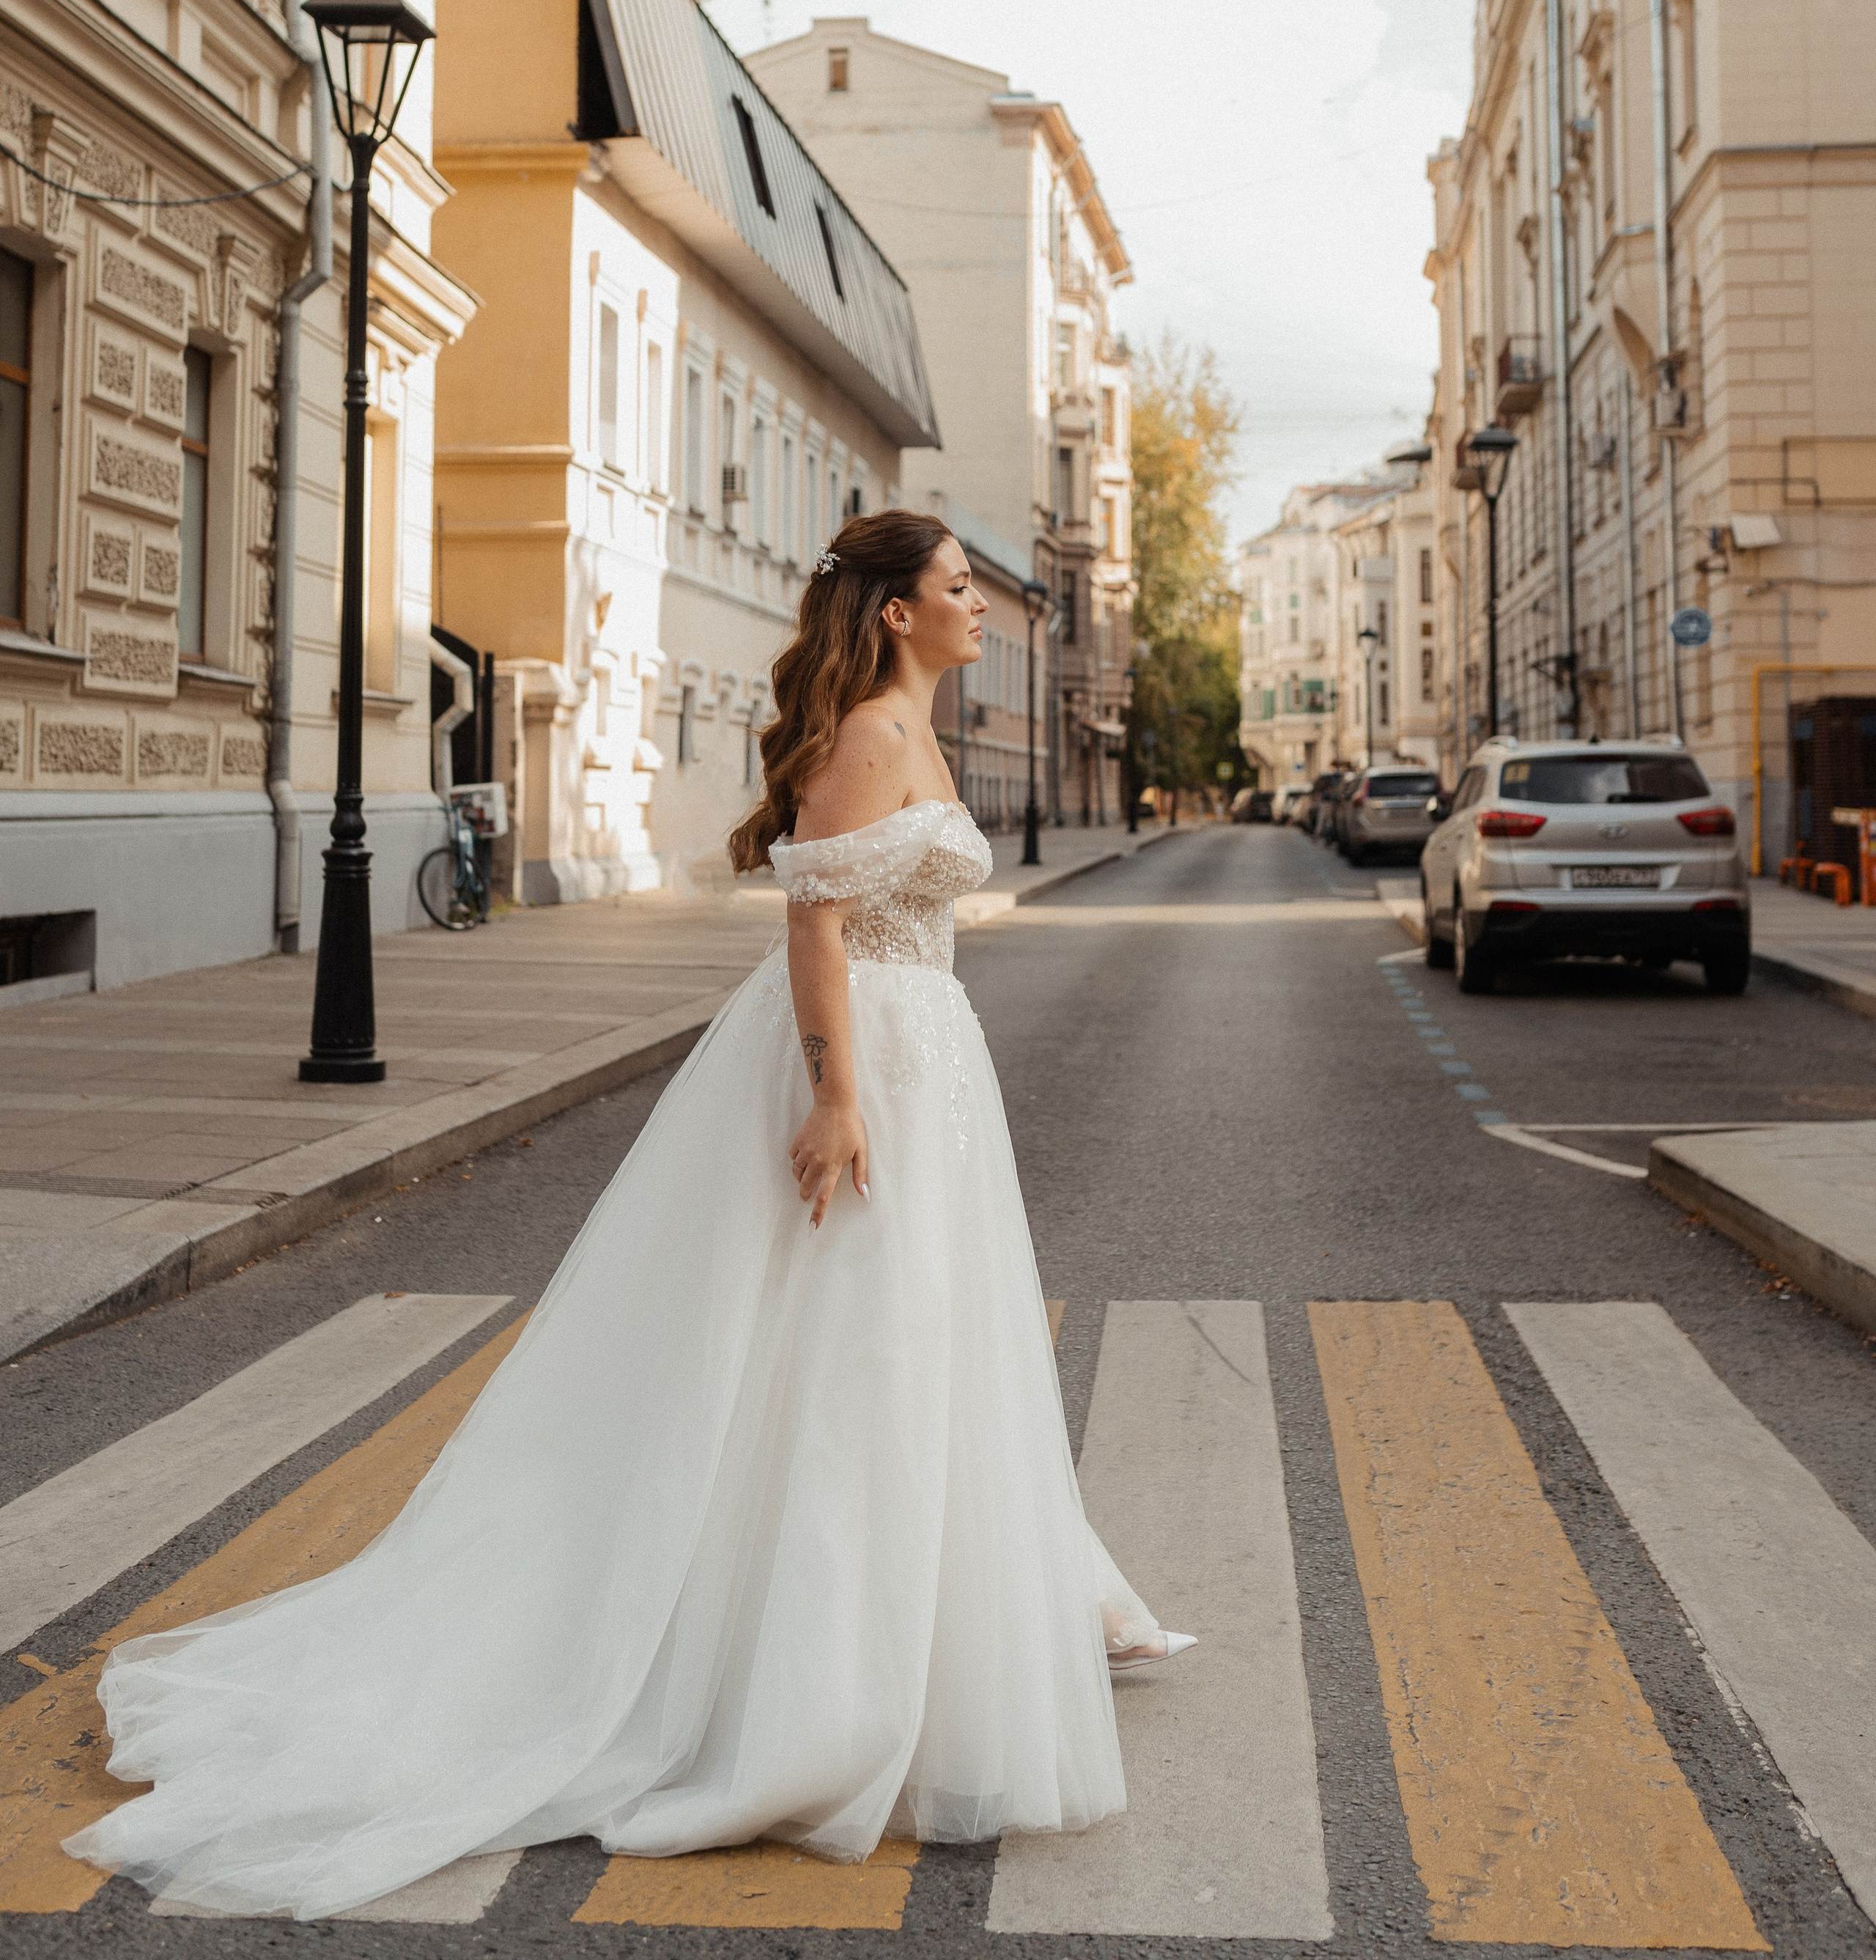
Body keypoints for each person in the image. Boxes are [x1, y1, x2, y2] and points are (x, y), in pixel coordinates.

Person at [67, 509, 1190, 1921]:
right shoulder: (869, 740)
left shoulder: (912, 729)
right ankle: (811, 1682)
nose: (981, 608)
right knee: (854, 1353)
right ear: (898, 613)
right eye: (960, 589)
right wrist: (839, 1097)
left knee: (926, 1343)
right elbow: (816, 927)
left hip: (933, 1065)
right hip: (875, 1069)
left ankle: (975, 1617)